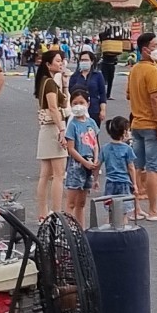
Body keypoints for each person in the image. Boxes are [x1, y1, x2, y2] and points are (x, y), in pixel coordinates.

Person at [126, 33, 157, 221]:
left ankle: (136, 208)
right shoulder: (152, 71)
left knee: (137, 166)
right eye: (155, 45)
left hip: (136, 123)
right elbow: (155, 98)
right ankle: (153, 209)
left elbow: (128, 94)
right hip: (151, 125)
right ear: (145, 49)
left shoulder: (135, 69)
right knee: (153, 168)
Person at [34, 51, 69, 221]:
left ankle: (43, 212)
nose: (61, 63)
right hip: (54, 127)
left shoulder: (45, 82)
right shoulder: (49, 83)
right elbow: (54, 108)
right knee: (58, 174)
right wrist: (62, 129)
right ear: (48, 64)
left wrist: (64, 83)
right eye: (57, 61)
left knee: (45, 174)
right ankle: (56, 212)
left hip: (46, 129)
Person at [60, 90, 100, 224]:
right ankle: (67, 230)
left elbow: (95, 144)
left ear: (88, 103)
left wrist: (95, 161)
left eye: (81, 102)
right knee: (71, 203)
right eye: (75, 103)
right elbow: (71, 149)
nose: (78, 106)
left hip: (89, 165)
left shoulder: (92, 123)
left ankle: (80, 230)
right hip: (76, 166)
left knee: (81, 203)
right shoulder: (72, 125)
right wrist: (84, 162)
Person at [97, 115, 136, 228]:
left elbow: (98, 165)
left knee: (111, 211)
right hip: (123, 183)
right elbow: (131, 167)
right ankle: (122, 233)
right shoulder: (127, 149)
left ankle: (108, 232)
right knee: (123, 213)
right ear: (124, 132)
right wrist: (135, 184)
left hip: (110, 183)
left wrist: (95, 180)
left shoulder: (105, 148)